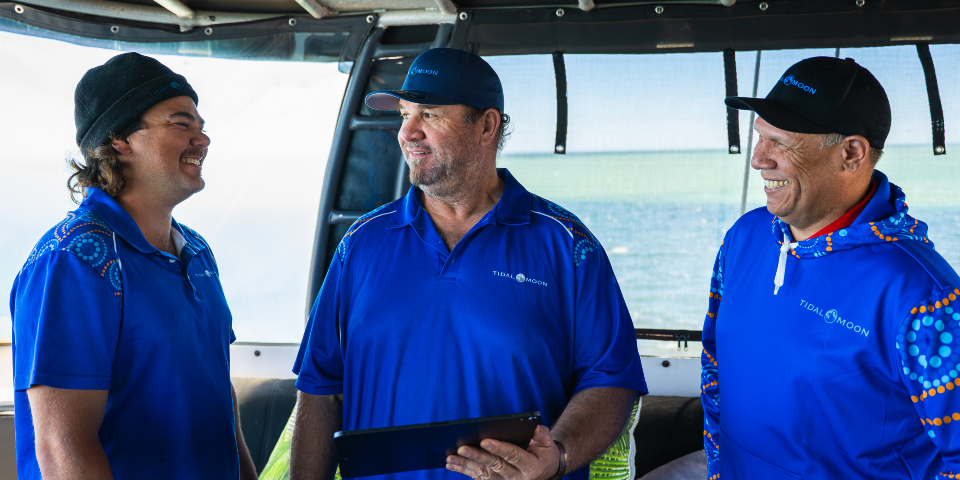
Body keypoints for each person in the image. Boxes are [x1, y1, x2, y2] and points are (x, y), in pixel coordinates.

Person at [291, 48, 647, 480]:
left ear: (486, 125)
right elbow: (321, 388)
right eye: (404, 115)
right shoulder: (361, 243)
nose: (408, 132)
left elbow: (612, 378)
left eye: (428, 114)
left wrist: (559, 456)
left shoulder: (567, 243)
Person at [701, 56, 960, 479]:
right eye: (759, 138)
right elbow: (713, 366)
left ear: (851, 153)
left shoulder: (924, 298)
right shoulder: (744, 237)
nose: (758, 159)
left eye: (779, 143)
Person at [9, 52, 257, 480]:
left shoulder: (196, 251)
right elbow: (62, 449)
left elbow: (217, 389)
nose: (203, 139)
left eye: (201, 126)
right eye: (181, 124)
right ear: (119, 139)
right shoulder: (74, 260)